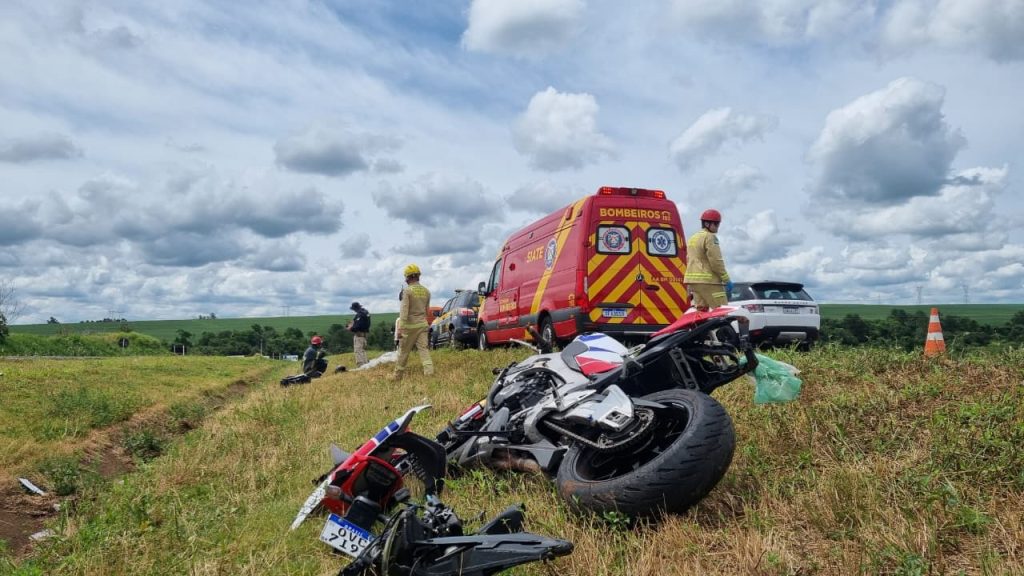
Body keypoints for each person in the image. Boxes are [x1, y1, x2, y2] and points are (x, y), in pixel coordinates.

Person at [683, 209, 733, 311]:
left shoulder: (693, 238)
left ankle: (699, 327)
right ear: (707, 223)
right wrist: (726, 279)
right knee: (722, 311)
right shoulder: (710, 237)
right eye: (716, 224)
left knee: (701, 313)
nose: (718, 227)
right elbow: (716, 261)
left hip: (693, 282)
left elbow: (688, 258)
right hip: (709, 281)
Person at [392, 263, 434, 380]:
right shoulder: (426, 291)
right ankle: (429, 373)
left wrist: (400, 328)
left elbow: (404, 310)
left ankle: (397, 376)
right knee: (424, 350)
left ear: (408, 277)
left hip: (409, 327)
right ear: (418, 276)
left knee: (403, 352)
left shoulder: (407, 291)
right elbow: (427, 310)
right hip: (422, 325)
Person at [349, 301, 371, 367]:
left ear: (355, 308)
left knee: (358, 350)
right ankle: (366, 364)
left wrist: (351, 328)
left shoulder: (359, 315)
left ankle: (361, 365)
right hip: (364, 334)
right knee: (363, 350)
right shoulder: (366, 312)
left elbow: (358, 326)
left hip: (359, 335)